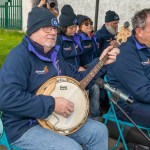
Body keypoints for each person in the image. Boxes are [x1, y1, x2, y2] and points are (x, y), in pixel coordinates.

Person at [0, 7, 119, 150]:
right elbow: (6, 98)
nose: (52, 32)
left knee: (99, 131)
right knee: (71, 148)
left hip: (56, 119)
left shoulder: (54, 56)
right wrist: (53, 104)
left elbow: (80, 81)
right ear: (32, 30)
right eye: (46, 28)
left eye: (54, 28)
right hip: (25, 125)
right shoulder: (19, 57)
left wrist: (101, 62)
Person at [107, 8, 150, 128]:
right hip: (129, 106)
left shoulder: (146, 47)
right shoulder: (125, 53)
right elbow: (142, 92)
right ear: (139, 32)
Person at [57, 5, 100, 120]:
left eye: (75, 27)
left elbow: (83, 55)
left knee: (95, 85)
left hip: (79, 74)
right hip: (66, 76)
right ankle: (79, 117)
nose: (74, 30)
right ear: (63, 27)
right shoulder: (58, 40)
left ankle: (94, 117)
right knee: (93, 88)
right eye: (71, 28)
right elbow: (59, 63)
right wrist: (76, 68)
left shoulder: (76, 38)